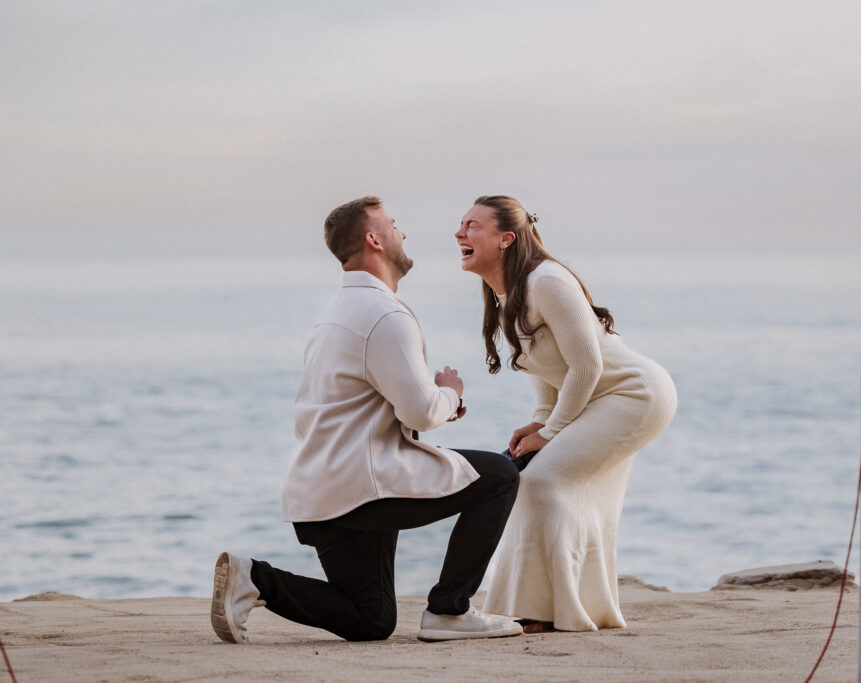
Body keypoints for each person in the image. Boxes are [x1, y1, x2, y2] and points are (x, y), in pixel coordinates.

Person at [211, 196, 523, 644]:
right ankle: (449, 612)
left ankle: (254, 579)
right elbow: (419, 412)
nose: (402, 232)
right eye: (393, 225)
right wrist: (450, 392)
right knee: (500, 474)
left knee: (370, 618)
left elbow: (380, 404)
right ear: (374, 240)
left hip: (320, 495)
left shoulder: (335, 313)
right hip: (359, 490)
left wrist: (434, 401)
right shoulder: (384, 314)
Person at [456, 195, 677, 632]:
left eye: (472, 226)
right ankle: (560, 608)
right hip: (592, 397)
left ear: (506, 239)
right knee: (533, 480)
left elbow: (588, 364)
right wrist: (541, 419)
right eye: (461, 226)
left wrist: (553, 429)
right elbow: (543, 362)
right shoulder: (506, 292)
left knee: (541, 481)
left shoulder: (547, 281)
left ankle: (549, 611)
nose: (460, 234)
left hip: (634, 395)